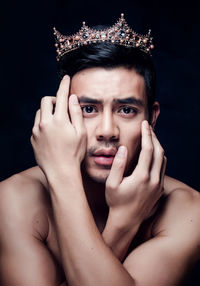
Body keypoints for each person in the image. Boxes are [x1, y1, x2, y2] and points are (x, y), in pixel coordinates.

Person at [0, 14, 200, 286]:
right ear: (59, 113)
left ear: (151, 118)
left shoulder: (189, 210)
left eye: (126, 110)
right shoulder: (12, 200)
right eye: (88, 109)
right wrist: (122, 225)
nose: (107, 130)